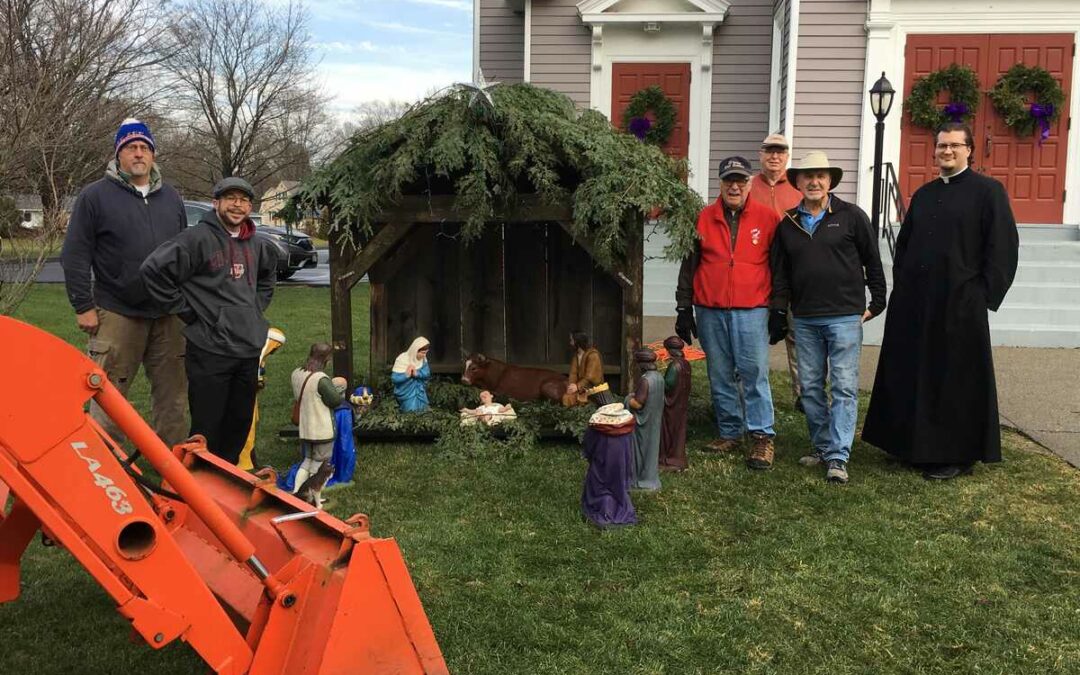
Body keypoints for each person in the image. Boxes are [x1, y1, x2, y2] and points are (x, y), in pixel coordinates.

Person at [863, 122, 1019, 480]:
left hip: (961, 303)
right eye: (941, 146)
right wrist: (901, 286)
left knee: (954, 378)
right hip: (916, 302)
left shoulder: (989, 192)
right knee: (913, 371)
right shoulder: (924, 194)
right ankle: (907, 444)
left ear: (969, 150)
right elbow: (905, 246)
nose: (946, 151)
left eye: (954, 145)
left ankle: (955, 453)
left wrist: (981, 296)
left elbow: (1003, 249)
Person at [60, 118, 188, 447]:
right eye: (130, 147)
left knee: (173, 396)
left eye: (145, 147)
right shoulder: (95, 196)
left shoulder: (171, 198)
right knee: (109, 395)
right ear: (119, 155)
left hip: (167, 314)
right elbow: (75, 253)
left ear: (153, 156)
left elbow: (185, 251)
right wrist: (83, 305)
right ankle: (106, 468)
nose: (138, 153)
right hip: (117, 312)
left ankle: (172, 469)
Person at [140, 176, 278, 464]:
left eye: (242, 200)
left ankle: (224, 481)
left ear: (249, 206)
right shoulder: (197, 239)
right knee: (207, 427)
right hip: (210, 348)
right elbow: (154, 270)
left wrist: (255, 308)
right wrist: (188, 312)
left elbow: (268, 276)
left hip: (248, 349)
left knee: (238, 424)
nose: (236, 205)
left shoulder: (258, 244)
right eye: (230, 198)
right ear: (216, 203)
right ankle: (199, 482)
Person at [768, 151, 886, 484]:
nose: (814, 181)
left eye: (820, 176)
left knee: (845, 387)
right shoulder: (788, 224)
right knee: (810, 389)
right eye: (807, 176)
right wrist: (779, 310)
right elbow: (781, 274)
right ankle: (822, 447)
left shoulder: (851, 217)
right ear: (798, 183)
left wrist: (878, 301)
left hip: (845, 317)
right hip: (805, 319)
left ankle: (838, 456)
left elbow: (872, 261)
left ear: (830, 181)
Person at [675, 155, 780, 469]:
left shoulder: (768, 218)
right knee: (719, 374)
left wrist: (778, 309)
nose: (735, 186)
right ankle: (730, 431)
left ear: (750, 183)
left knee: (754, 375)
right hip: (710, 310)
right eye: (728, 181)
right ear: (719, 183)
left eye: (741, 181)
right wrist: (684, 307)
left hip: (752, 310)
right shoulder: (702, 218)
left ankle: (762, 437)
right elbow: (688, 265)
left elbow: (779, 268)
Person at [748, 133, 805, 412]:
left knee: (797, 335)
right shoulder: (746, 187)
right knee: (755, 334)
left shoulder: (798, 189)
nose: (774, 156)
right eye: (769, 150)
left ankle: (803, 394)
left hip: (792, 275)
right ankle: (749, 391)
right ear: (761, 155)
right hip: (758, 274)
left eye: (780, 152)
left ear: (787, 156)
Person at [581, 403, 637, 528]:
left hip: (601, 464)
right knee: (620, 484)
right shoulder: (627, 425)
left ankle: (604, 511)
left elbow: (589, 445)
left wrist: (590, 455)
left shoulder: (597, 427)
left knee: (600, 485)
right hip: (622, 463)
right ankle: (620, 508)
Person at [238, 327, 286, 471]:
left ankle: (252, 461)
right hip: (245, 396)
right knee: (247, 430)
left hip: (249, 394)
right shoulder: (259, 353)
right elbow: (254, 376)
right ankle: (244, 464)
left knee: (251, 428)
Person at [626, 348, 665, 491]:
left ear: (642, 364)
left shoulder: (645, 380)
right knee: (652, 450)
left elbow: (638, 403)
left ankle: (641, 480)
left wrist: (628, 399)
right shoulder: (659, 377)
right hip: (655, 421)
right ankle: (651, 478)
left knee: (641, 451)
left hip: (644, 423)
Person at [659, 335, 691, 472]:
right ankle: (678, 458)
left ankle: (669, 459)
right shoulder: (685, 363)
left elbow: (668, 384)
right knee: (679, 430)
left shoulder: (675, 365)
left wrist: (657, 380)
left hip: (672, 404)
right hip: (682, 403)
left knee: (669, 431)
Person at [562, 331, 606, 407]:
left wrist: (578, 386)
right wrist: (571, 386)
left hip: (592, 388)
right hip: (580, 387)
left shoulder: (593, 355)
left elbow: (590, 377)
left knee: (583, 400)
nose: (570, 343)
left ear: (577, 342)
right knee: (567, 397)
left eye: (572, 340)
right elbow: (573, 373)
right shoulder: (576, 356)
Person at [392, 337, 432, 412]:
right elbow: (394, 378)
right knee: (411, 410)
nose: (424, 355)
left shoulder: (423, 360)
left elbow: (427, 373)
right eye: (422, 353)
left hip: (420, 391)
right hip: (407, 393)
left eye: (426, 352)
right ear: (415, 351)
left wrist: (417, 374)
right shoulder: (402, 359)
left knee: (424, 410)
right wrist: (406, 375)